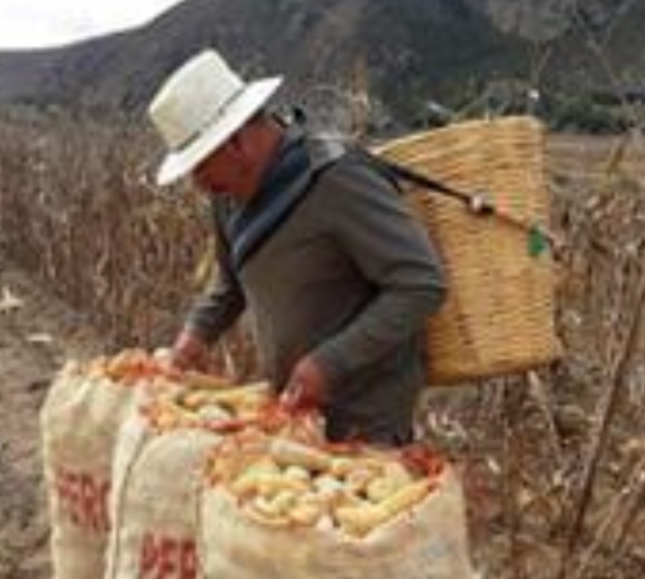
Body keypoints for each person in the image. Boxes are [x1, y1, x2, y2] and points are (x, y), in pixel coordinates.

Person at [147, 48, 447, 445]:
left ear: (236, 142)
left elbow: (421, 283)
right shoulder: (228, 195)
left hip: (365, 421)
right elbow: (231, 281)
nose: (197, 184)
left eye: (200, 166)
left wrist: (329, 363)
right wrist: (197, 333)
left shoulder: (339, 179)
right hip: (292, 411)